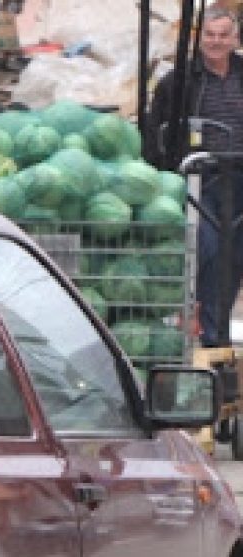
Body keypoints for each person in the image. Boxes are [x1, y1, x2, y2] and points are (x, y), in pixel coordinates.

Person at [145, 5, 243, 346]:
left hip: (239, 178)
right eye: (209, 36)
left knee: (234, 258)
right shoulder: (181, 81)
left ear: (235, 39)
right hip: (200, 179)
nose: (216, 42)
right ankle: (204, 333)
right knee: (208, 251)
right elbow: (155, 131)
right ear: (199, 38)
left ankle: (218, 334)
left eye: (223, 36)